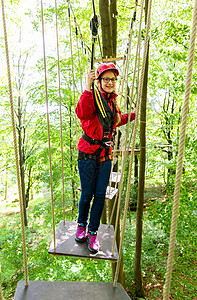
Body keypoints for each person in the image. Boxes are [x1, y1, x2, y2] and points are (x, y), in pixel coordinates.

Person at [75, 62, 136, 253]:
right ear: (99, 80)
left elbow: (115, 122)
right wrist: (87, 86)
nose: (110, 82)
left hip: (105, 155)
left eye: (113, 79)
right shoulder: (92, 98)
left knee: (100, 195)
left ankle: (93, 232)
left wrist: (134, 115)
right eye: (106, 79)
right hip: (87, 154)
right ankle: (81, 226)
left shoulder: (112, 103)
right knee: (87, 194)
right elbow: (82, 113)